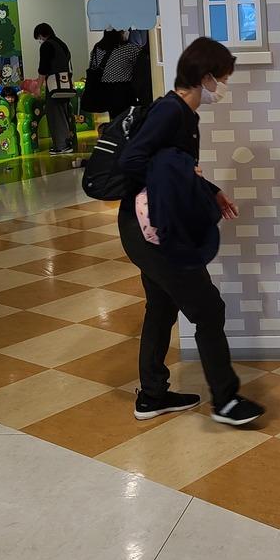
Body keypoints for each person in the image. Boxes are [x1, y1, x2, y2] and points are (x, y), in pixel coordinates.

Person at [116, 36, 264, 427]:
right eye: (223, 78)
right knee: (209, 309)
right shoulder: (171, 111)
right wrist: (183, 172)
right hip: (152, 231)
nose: (224, 86)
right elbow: (132, 160)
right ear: (205, 76)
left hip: (148, 228)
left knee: (162, 306)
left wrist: (210, 190)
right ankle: (225, 401)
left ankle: (152, 395)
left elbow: (173, 167)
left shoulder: (183, 114)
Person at [33, 22, 76, 154]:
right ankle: (66, 142)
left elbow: (43, 68)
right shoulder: (62, 44)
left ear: (41, 34)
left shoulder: (47, 45)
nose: (39, 40)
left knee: (54, 115)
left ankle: (61, 146)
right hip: (65, 85)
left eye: (38, 37)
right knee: (64, 113)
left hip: (54, 86)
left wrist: (38, 87)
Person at [87, 29, 143, 120]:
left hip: (105, 90)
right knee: (128, 118)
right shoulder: (129, 49)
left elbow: (93, 66)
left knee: (114, 119)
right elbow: (141, 63)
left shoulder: (97, 48)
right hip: (123, 90)